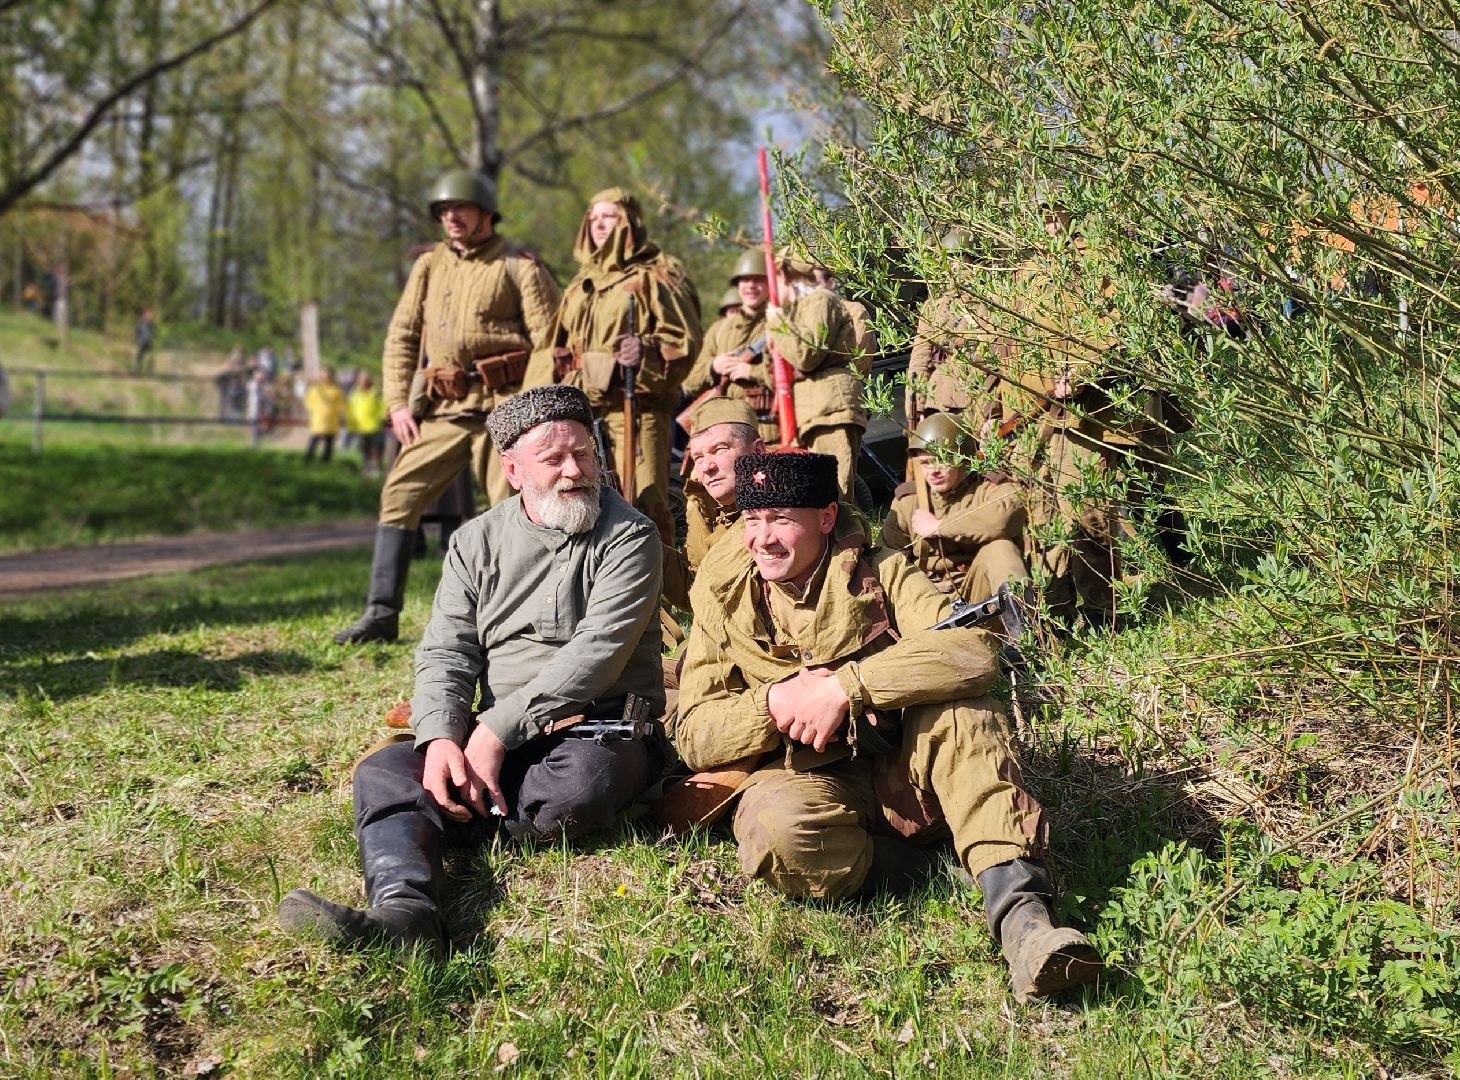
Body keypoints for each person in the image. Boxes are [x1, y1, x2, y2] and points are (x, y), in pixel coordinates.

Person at [672, 451, 1102, 1002]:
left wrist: (844, 687)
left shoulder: (883, 570)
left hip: (909, 762)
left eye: (781, 519)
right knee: (778, 831)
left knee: (966, 715)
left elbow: (972, 651)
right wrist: (775, 701)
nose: (763, 539)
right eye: (752, 520)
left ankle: (1024, 921)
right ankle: (928, 869)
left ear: (826, 517)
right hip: (810, 776)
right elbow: (696, 733)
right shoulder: (725, 600)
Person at [279, 385, 666, 956]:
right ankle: (405, 912)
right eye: (554, 459)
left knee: (584, 786)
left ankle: (443, 812)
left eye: (583, 454)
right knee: (383, 771)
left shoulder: (631, 537)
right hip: (495, 739)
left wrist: (491, 735)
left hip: (595, 732)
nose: (575, 471)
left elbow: (597, 653)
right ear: (512, 470)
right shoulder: (474, 541)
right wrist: (441, 738)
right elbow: (447, 651)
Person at [334, 169, 561, 645]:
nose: (451, 217)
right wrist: (399, 403)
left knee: (516, 508)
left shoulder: (519, 267)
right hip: (443, 409)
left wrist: (529, 415)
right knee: (399, 494)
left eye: (460, 208)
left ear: (486, 213)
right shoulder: (428, 265)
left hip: (504, 410)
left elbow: (550, 344)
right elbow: (402, 336)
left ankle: (527, 621)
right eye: (443, 210)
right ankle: (381, 613)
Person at [545, 187, 701, 515]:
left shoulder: (656, 274)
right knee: (583, 507)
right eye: (594, 218)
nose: (600, 225)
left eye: (610, 217)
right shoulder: (580, 285)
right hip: (583, 410)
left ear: (630, 222)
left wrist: (644, 352)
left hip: (636, 410)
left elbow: (684, 342)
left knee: (644, 507)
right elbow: (556, 349)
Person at [880, 412, 1030, 603]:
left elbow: (1003, 520)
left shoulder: (989, 488)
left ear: (962, 459)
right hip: (929, 600)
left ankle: (1021, 619)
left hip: (979, 593)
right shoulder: (909, 501)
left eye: (941, 460)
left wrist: (938, 526)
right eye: (925, 463)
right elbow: (886, 561)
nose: (933, 471)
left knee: (1001, 549)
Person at [762, 251, 868, 497]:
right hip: (807, 412)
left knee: (836, 495)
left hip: (829, 408)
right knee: (814, 499)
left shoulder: (821, 299)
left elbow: (807, 355)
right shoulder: (794, 314)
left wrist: (778, 324)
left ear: (786, 277)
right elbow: (773, 376)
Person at [661, 397, 767, 612]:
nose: (706, 467)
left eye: (720, 449)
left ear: (758, 451)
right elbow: (693, 591)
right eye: (698, 457)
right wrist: (644, 544)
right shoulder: (704, 504)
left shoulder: (785, 508)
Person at [681, 250, 777, 445]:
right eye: (745, 280)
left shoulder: (778, 325)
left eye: (758, 279)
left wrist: (751, 371)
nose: (751, 285)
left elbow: (793, 380)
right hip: (721, 437)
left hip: (766, 436)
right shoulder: (719, 330)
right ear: (738, 284)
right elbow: (689, 383)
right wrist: (714, 366)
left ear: (770, 283)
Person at [346, 372, 388, 476]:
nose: (364, 381)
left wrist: (381, 417)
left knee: (377, 448)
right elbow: (350, 411)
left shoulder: (377, 393)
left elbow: (383, 406)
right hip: (361, 427)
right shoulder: (354, 395)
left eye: (366, 379)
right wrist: (351, 426)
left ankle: (377, 468)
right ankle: (366, 468)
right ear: (358, 381)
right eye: (362, 379)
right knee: (364, 450)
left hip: (375, 426)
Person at [304, 368, 345, 462]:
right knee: (315, 438)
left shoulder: (336, 390)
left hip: (331, 419)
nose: (326, 376)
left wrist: (338, 412)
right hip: (318, 418)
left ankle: (326, 460)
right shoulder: (315, 388)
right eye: (324, 374)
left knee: (329, 440)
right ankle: (308, 458)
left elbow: (341, 404)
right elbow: (308, 401)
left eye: (328, 375)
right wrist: (314, 410)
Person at [132, 309, 156, 373]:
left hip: (149, 342)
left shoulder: (151, 324)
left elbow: (153, 333)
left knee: (150, 357)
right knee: (139, 356)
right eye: (149, 315)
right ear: (144, 315)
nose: (151, 317)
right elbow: (136, 332)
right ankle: (137, 369)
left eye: (151, 315)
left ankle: (149, 370)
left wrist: (153, 339)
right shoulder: (140, 323)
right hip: (141, 342)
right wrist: (137, 339)